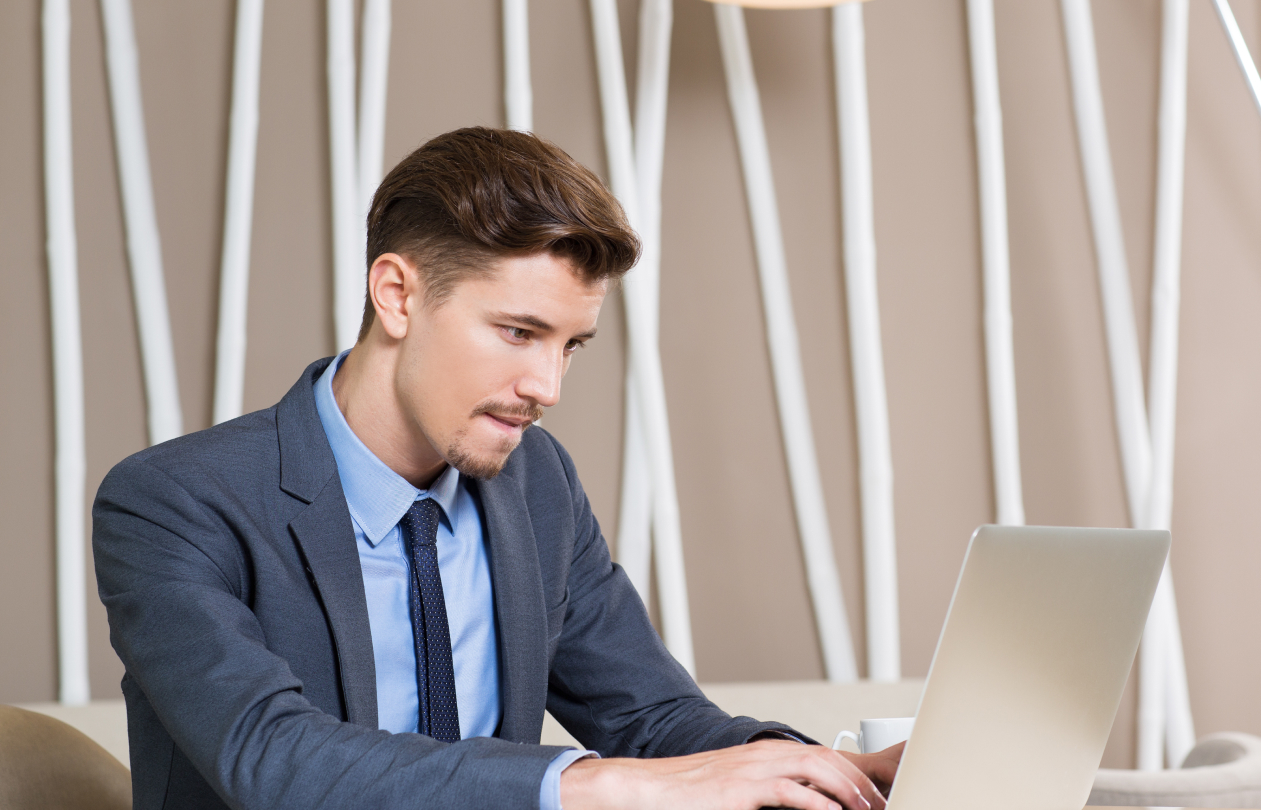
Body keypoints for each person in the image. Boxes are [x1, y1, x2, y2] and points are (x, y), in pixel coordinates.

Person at [93, 127, 901, 810]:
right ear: (398, 295)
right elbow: (273, 759)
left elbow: (653, 720)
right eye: (518, 332)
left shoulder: (535, 479)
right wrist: (591, 786)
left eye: (570, 346)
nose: (546, 388)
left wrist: (827, 775)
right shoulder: (172, 502)